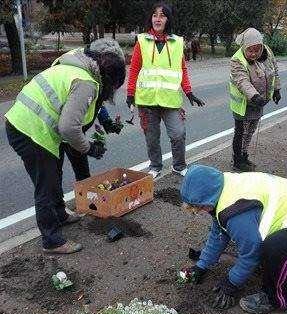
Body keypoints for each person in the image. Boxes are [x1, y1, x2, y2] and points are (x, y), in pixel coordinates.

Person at [5, 39, 126, 254]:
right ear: (108, 77)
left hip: (30, 125)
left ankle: (60, 214)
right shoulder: (87, 82)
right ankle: (51, 241)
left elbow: (86, 104)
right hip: (30, 131)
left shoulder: (76, 63)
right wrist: (89, 148)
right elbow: (69, 128)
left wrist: (105, 121)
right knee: (46, 184)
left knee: (55, 173)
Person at [180, 165, 287, 313]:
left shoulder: (236, 213)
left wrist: (232, 282)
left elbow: (251, 252)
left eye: (200, 207)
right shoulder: (224, 187)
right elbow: (219, 233)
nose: (199, 211)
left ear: (209, 199)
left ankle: (274, 299)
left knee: (274, 248)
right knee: (263, 245)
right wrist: (201, 265)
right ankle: (274, 264)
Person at [126, 2, 205, 179]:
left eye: (162, 15)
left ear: (168, 19)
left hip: (170, 100)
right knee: (152, 138)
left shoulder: (177, 42)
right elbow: (134, 69)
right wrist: (130, 94)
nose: (157, 19)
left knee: (178, 134)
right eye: (155, 15)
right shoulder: (142, 41)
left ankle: (179, 166)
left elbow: (182, 69)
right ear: (151, 19)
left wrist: (189, 92)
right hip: (147, 100)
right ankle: (155, 166)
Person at [230, 28, 281, 171]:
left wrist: (277, 89)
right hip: (243, 104)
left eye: (256, 51)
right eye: (250, 51)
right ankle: (237, 161)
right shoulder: (237, 60)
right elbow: (242, 82)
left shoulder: (267, 52)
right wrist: (254, 96)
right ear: (244, 47)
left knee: (251, 131)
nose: (253, 54)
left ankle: (244, 156)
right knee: (241, 132)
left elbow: (274, 70)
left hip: (258, 102)